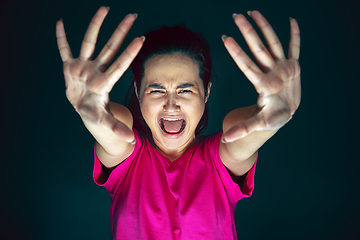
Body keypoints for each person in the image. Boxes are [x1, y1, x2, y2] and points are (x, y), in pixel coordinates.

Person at [56, 6, 300, 240]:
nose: (171, 105)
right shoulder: (126, 156)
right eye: (156, 90)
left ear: (206, 93)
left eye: (185, 90)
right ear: (138, 93)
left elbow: (242, 135)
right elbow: (112, 125)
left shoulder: (220, 158)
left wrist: (270, 117)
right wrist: (93, 112)